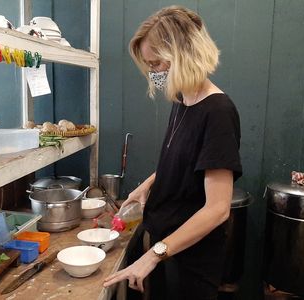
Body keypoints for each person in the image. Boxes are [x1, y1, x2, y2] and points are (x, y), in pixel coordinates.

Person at [103, 5, 242, 300]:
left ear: (182, 56)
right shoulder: (182, 99)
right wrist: (147, 185)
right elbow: (184, 160)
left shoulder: (218, 112)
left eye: (156, 64)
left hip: (191, 258)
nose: (152, 73)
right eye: (149, 65)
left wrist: (153, 255)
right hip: (165, 243)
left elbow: (218, 209)